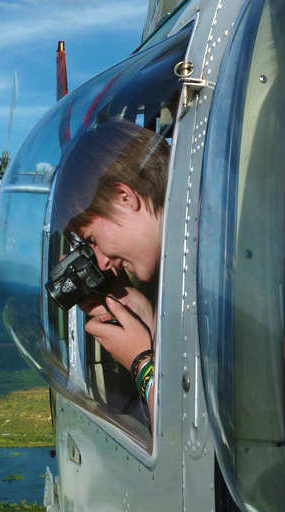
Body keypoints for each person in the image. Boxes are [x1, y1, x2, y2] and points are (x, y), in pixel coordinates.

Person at [52, 117, 170, 419]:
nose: (103, 262)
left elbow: (185, 441)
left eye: (93, 240)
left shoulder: (216, 256)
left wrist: (142, 363)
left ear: (124, 197)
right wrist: (149, 319)